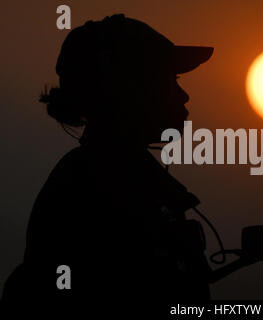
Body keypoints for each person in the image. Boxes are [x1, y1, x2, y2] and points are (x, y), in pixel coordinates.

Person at [2, 14, 214, 308]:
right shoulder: (94, 188)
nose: (183, 95)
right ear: (124, 90)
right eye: (167, 80)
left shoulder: (118, 179)